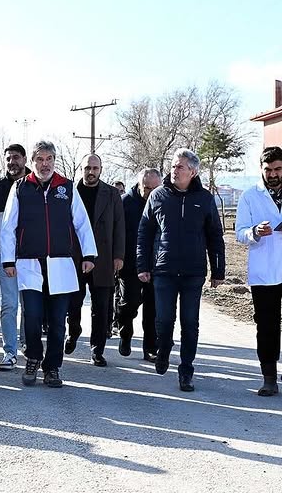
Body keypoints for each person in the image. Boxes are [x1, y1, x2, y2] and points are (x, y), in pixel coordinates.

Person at [0, 140, 97, 387]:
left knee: (57, 322)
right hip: (29, 264)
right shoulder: (21, 188)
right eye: (40, 159)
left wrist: (88, 255)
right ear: (32, 162)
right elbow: (8, 227)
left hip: (60, 265)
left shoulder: (66, 188)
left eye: (49, 159)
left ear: (55, 160)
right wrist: (9, 260)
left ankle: (52, 367)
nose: (45, 164)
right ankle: (32, 358)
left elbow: (82, 223)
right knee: (32, 317)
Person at [137, 148, 225, 392]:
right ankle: (163, 349)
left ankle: (186, 369)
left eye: (180, 167)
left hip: (193, 272)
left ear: (193, 172)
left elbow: (215, 235)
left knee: (190, 322)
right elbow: (144, 233)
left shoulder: (205, 199)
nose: (175, 170)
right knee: (164, 320)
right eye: (173, 166)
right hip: (163, 270)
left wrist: (218, 270)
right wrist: (142, 265)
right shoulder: (158, 195)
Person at [66, 154, 125, 367]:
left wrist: (119, 255)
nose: (91, 172)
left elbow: (119, 226)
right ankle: (73, 331)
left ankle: (97, 349)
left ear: (101, 169)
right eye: (87, 168)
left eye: (95, 168)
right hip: (74, 257)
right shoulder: (70, 191)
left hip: (104, 257)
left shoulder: (111, 194)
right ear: (81, 169)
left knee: (101, 307)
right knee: (73, 301)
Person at [236, 145, 282, 396]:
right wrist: (254, 232)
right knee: (266, 325)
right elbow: (240, 232)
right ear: (261, 170)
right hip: (264, 272)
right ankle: (269, 377)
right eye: (268, 170)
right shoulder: (249, 196)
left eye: (277, 169)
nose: (273, 175)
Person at [0, 143, 30, 371]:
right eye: (8, 159)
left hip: (32, 255)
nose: (12, 162)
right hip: (5, 255)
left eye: (16, 157)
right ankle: (9, 352)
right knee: (9, 304)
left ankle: (27, 346)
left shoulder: (35, 183)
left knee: (30, 304)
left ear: (24, 159)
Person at [117, 168, 161, 362]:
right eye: (146, 188)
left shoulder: (163, 201)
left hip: (156, 264)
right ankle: (125, 333)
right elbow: (116, 234)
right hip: (130, 265)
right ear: (138, 184)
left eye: (155, 188)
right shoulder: (125, 202)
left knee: (153, 308)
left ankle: (151, 348)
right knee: (130, 303)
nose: (150, 193)